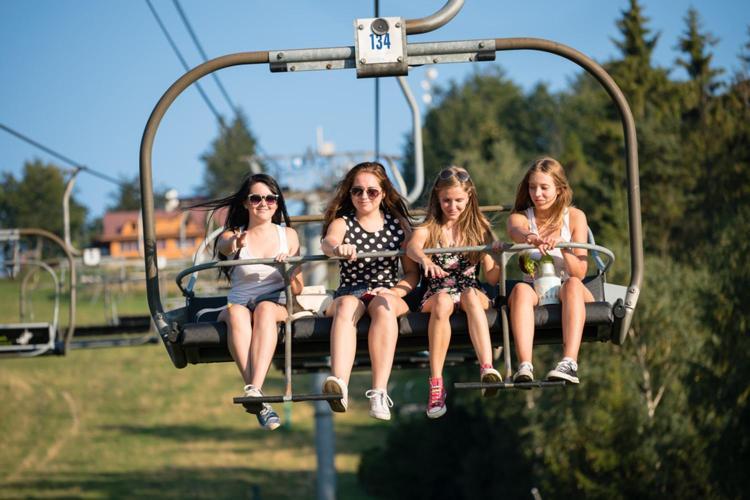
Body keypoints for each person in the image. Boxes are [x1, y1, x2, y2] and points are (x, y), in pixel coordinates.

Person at [194, 173, 303, 430]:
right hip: (239, 303)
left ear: (277, 203)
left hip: (275, 301)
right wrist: (237, 243)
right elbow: (226, 247)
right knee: (236, 314)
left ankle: (255, 391)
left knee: (264, 310)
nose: (263, 203)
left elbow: (298, 287)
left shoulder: (288, 236)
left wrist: (288, 269)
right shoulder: (232, 234)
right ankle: (257, 393)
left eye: (270, 198)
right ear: (246, 203)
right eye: (256, 198)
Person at [320, 161, 419, 421]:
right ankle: (339, 383)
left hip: (387, 291)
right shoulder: (344, 223)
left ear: (383, 193)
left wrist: (395, 292)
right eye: (357, 191)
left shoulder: (397, 225)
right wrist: (337, 249)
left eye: (372, 191)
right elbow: (328, 242)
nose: (364, 197)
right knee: (346, 305)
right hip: (351, 291)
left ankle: (379, 391)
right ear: (350, 194)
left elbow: (411, 274)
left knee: (384, 309)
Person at [406, 166, 502, 419]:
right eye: (446, 200)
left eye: (458, 200)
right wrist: (425, 260)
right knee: (443, 302)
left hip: (470, 289)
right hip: (438, 291)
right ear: (437, 198)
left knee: (470, 294)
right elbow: (412, 247)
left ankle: (487, 367)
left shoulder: (479, 228)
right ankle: (436, 384)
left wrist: (495, 253)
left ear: (469, 197)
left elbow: (492, 277)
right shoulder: (429, 228)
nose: (452, 206)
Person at [506, 157, 593, 385]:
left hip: (569, 288)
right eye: (533, 187)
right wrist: (531, 238)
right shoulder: (522, 217)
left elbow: (580, 272)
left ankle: (569, 362)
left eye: (544, 188)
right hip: (537, 289)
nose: (538, 194)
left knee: (573, 285)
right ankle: (525, 364)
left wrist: (563, 246)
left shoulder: (575, 217)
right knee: (520, 291)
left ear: (559, 189)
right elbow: (516, 230)